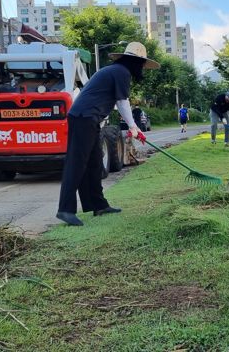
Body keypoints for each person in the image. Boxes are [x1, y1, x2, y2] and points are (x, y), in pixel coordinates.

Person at [56, 42, 160, 226]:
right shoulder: (121, 72)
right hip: (83, 118)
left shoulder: (115, 71)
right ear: (135, 61)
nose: (143, 67)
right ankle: (65, 209)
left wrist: (132, 126)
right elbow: (122, 101)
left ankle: (99, 205)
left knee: (95, 162)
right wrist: (133, 127)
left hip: (90, 119)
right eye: (142, 64)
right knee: (77, 163)